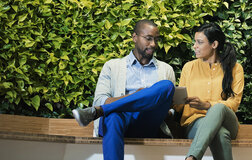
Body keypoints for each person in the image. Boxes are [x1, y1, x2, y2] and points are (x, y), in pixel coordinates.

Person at [71, 19, 176, 160]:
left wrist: (163, 108)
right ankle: (104, 111)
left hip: (148, 121)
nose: (153, 44)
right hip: (121, 121)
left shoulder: (166, 69)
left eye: (156, 40)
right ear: (134, 37)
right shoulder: (112, 66)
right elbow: (101, 99)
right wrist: (134, 97)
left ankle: (97, 112)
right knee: (113, 116)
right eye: (148, 39)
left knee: (167, 86)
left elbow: (171, 106)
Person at [176, 22, 244, 160]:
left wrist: (207, 105)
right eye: (195, 42)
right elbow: (178, 106)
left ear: (214, 45)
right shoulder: (188, 68)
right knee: (220, 133)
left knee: (218, 108)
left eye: (199, 42)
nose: (195, 46)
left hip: (227, 120)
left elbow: (234, 103)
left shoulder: (235, 68)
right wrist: (174, 100)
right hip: (195, 122)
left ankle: (192, 158)